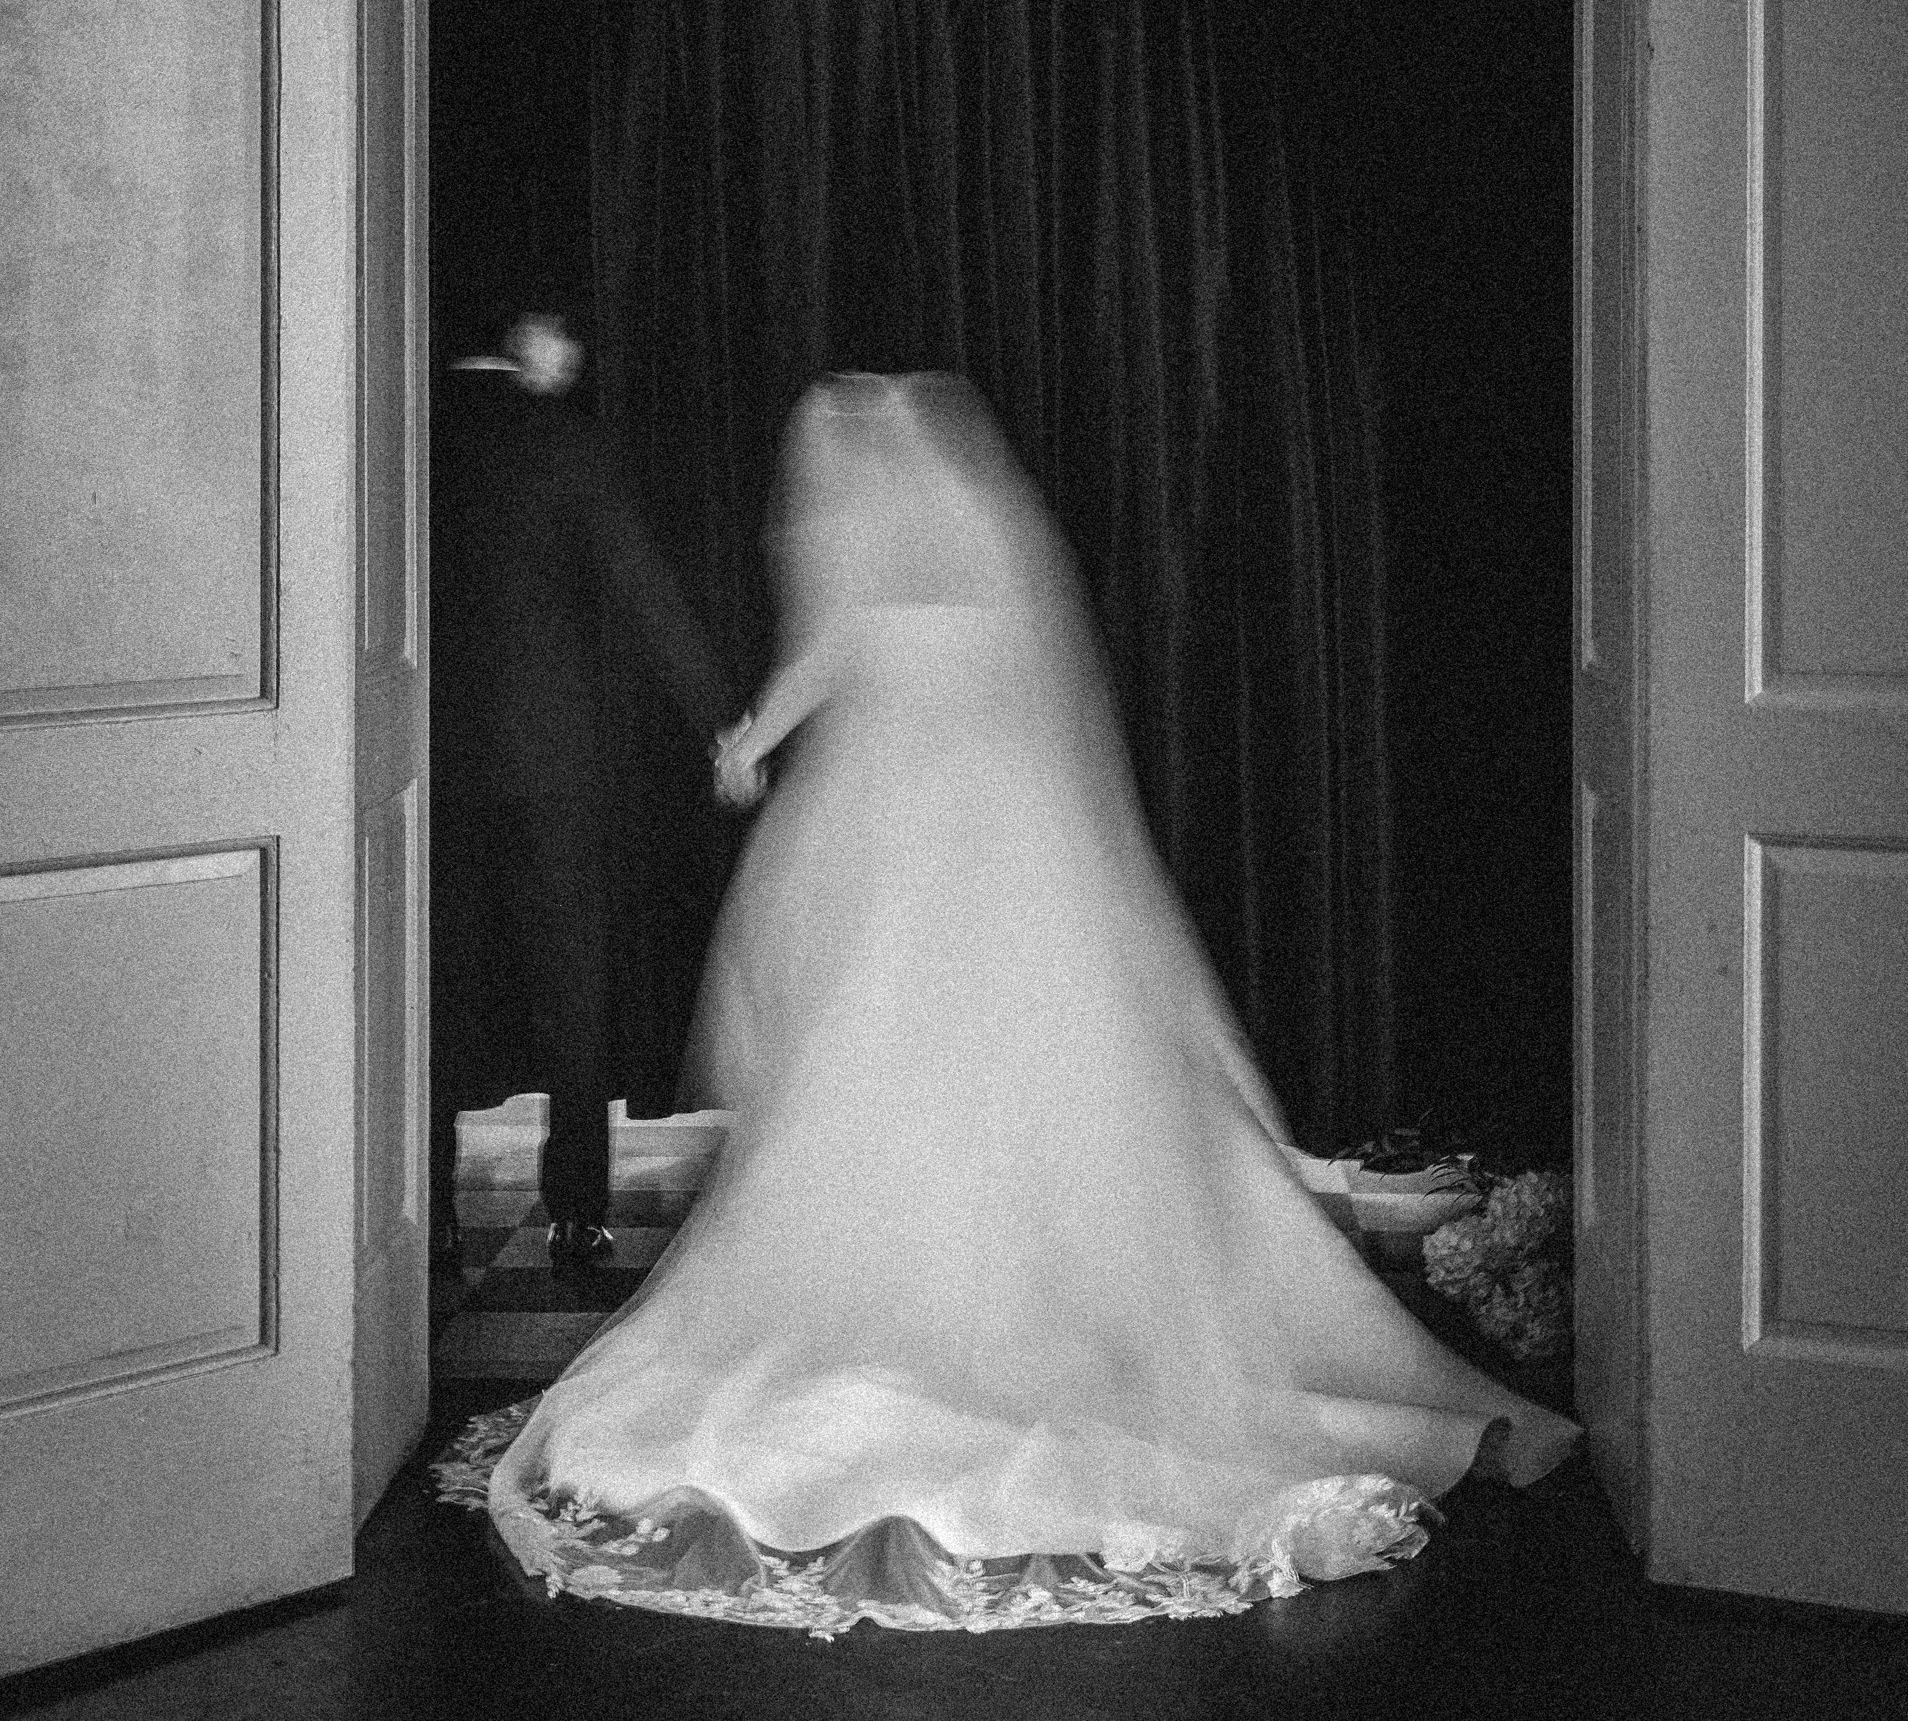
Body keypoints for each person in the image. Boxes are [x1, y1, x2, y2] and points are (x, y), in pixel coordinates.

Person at [460, 372, 1577, 1628]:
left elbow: (831, 648)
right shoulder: (994, 579)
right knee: (1041, 1084)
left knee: (875, 1084)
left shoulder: (857, 545)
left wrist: (750, 737)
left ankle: (907, 1319)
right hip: (1025, 852)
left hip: (890, 847)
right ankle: (1069, 1313)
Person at [429, 305, 744, 1273]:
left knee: (431, 987)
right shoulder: (559, 438)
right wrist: (718, 717)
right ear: (529, 337)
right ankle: (575, 1207)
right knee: (570, 979)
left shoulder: (411, 431)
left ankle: (422, 1208)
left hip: (426, 757)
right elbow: (639, 586)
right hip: (554, 755)